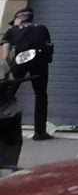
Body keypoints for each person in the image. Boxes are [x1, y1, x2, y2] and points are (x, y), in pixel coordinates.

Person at [4, 8, 49, 140]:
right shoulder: (42, 28)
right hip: (39, 62)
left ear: (19, 19)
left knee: (7, 95)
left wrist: (10, 66)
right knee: (41, 95)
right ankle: (40, 133)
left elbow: (5, 54)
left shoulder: (12, 31)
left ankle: (5, 130)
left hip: (20, 61)